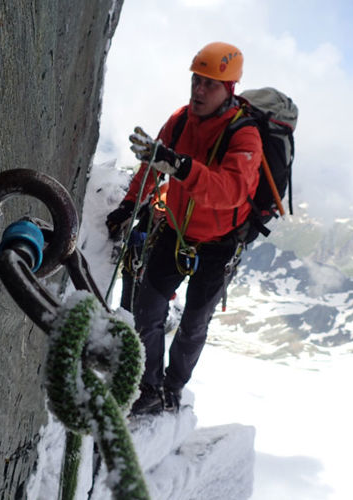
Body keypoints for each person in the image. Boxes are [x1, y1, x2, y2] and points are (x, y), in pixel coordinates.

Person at [105, 42, 262, 415]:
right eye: (196, 80)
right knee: (148, 307)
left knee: (194, 323)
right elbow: (152, 166)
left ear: (230, 89)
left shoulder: (245, 135)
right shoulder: (179, 121)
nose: (199, 90)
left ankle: (173, 387)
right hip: (177, 231)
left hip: (221, 244)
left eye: (210, 84)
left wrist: (179, 166)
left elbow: (229, 190)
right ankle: (149, 387)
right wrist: (131, 203)